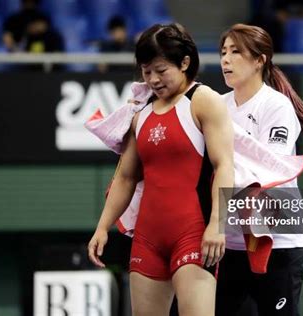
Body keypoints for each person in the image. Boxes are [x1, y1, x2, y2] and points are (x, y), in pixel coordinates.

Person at [88, 23, 234, 316]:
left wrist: (218, 226)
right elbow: (126, 177)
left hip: (193, 233)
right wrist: (103, 226)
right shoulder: (140, 112)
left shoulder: (204, 101)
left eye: (161, 70)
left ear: (184, 63)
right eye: (146, 71)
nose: (153, 79)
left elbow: (224, 166)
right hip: (147, 238)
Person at [216, 24, 303, 316]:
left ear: (259, 60)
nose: (225, 60)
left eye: (235, 52)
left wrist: (224, 160)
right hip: (229, 244)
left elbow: (269, 170)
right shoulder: (217, 106)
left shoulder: (276, 106)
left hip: (278, 242)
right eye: (223, 52)